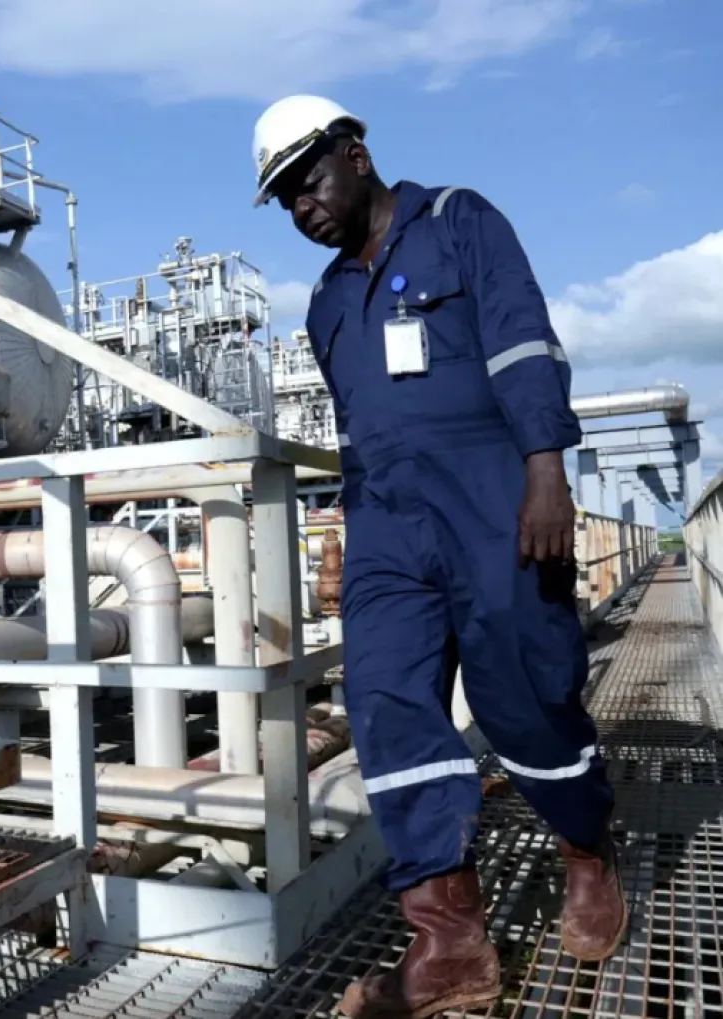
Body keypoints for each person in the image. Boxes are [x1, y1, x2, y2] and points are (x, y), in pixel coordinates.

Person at [250, 95, 628, 1019]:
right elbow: (356, 431)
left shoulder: (461, 221)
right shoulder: (328, 299)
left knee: (524, 691)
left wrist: (547, 469)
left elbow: (524, 342)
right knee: (382, 700)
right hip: (385, 521)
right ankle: (449, 937)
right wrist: (344, 531)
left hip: (492, 496)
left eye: (311, 180)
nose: (305, 206)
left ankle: (586, 849)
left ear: (357, 152)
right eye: (286, 198)